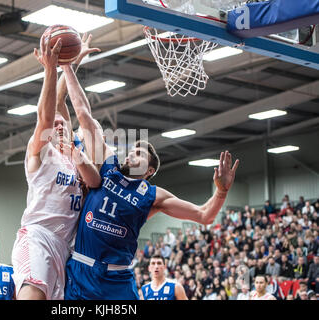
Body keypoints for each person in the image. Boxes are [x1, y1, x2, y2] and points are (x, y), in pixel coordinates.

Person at [60, 63, 240, 300]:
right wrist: (67, 66)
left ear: (149, 170)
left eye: (139, 154)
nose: (131, 154)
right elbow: (84, 114)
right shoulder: (108, 166)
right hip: (82, 270)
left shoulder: (153, 195)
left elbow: (204, 215)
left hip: (117, 279)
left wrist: (221, 193)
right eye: (132, 150)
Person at [10, 34, 101, 300]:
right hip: (37, 237)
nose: (59, 126)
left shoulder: (77, 160)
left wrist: (72, 63)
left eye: (65, 124)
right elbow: (47, 115)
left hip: (66, 248)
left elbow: (94, 182)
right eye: (56, 126)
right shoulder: (40, 151)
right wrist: (51, 70)